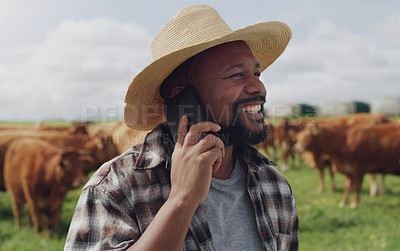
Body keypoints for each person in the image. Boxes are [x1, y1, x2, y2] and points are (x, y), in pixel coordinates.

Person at [64, 4, 298, 251]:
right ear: (183, 99)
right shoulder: (115, 187)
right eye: (237, 75)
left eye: (257, 73)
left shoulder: (274, 186)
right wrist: (181, 200)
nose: (258, 88)